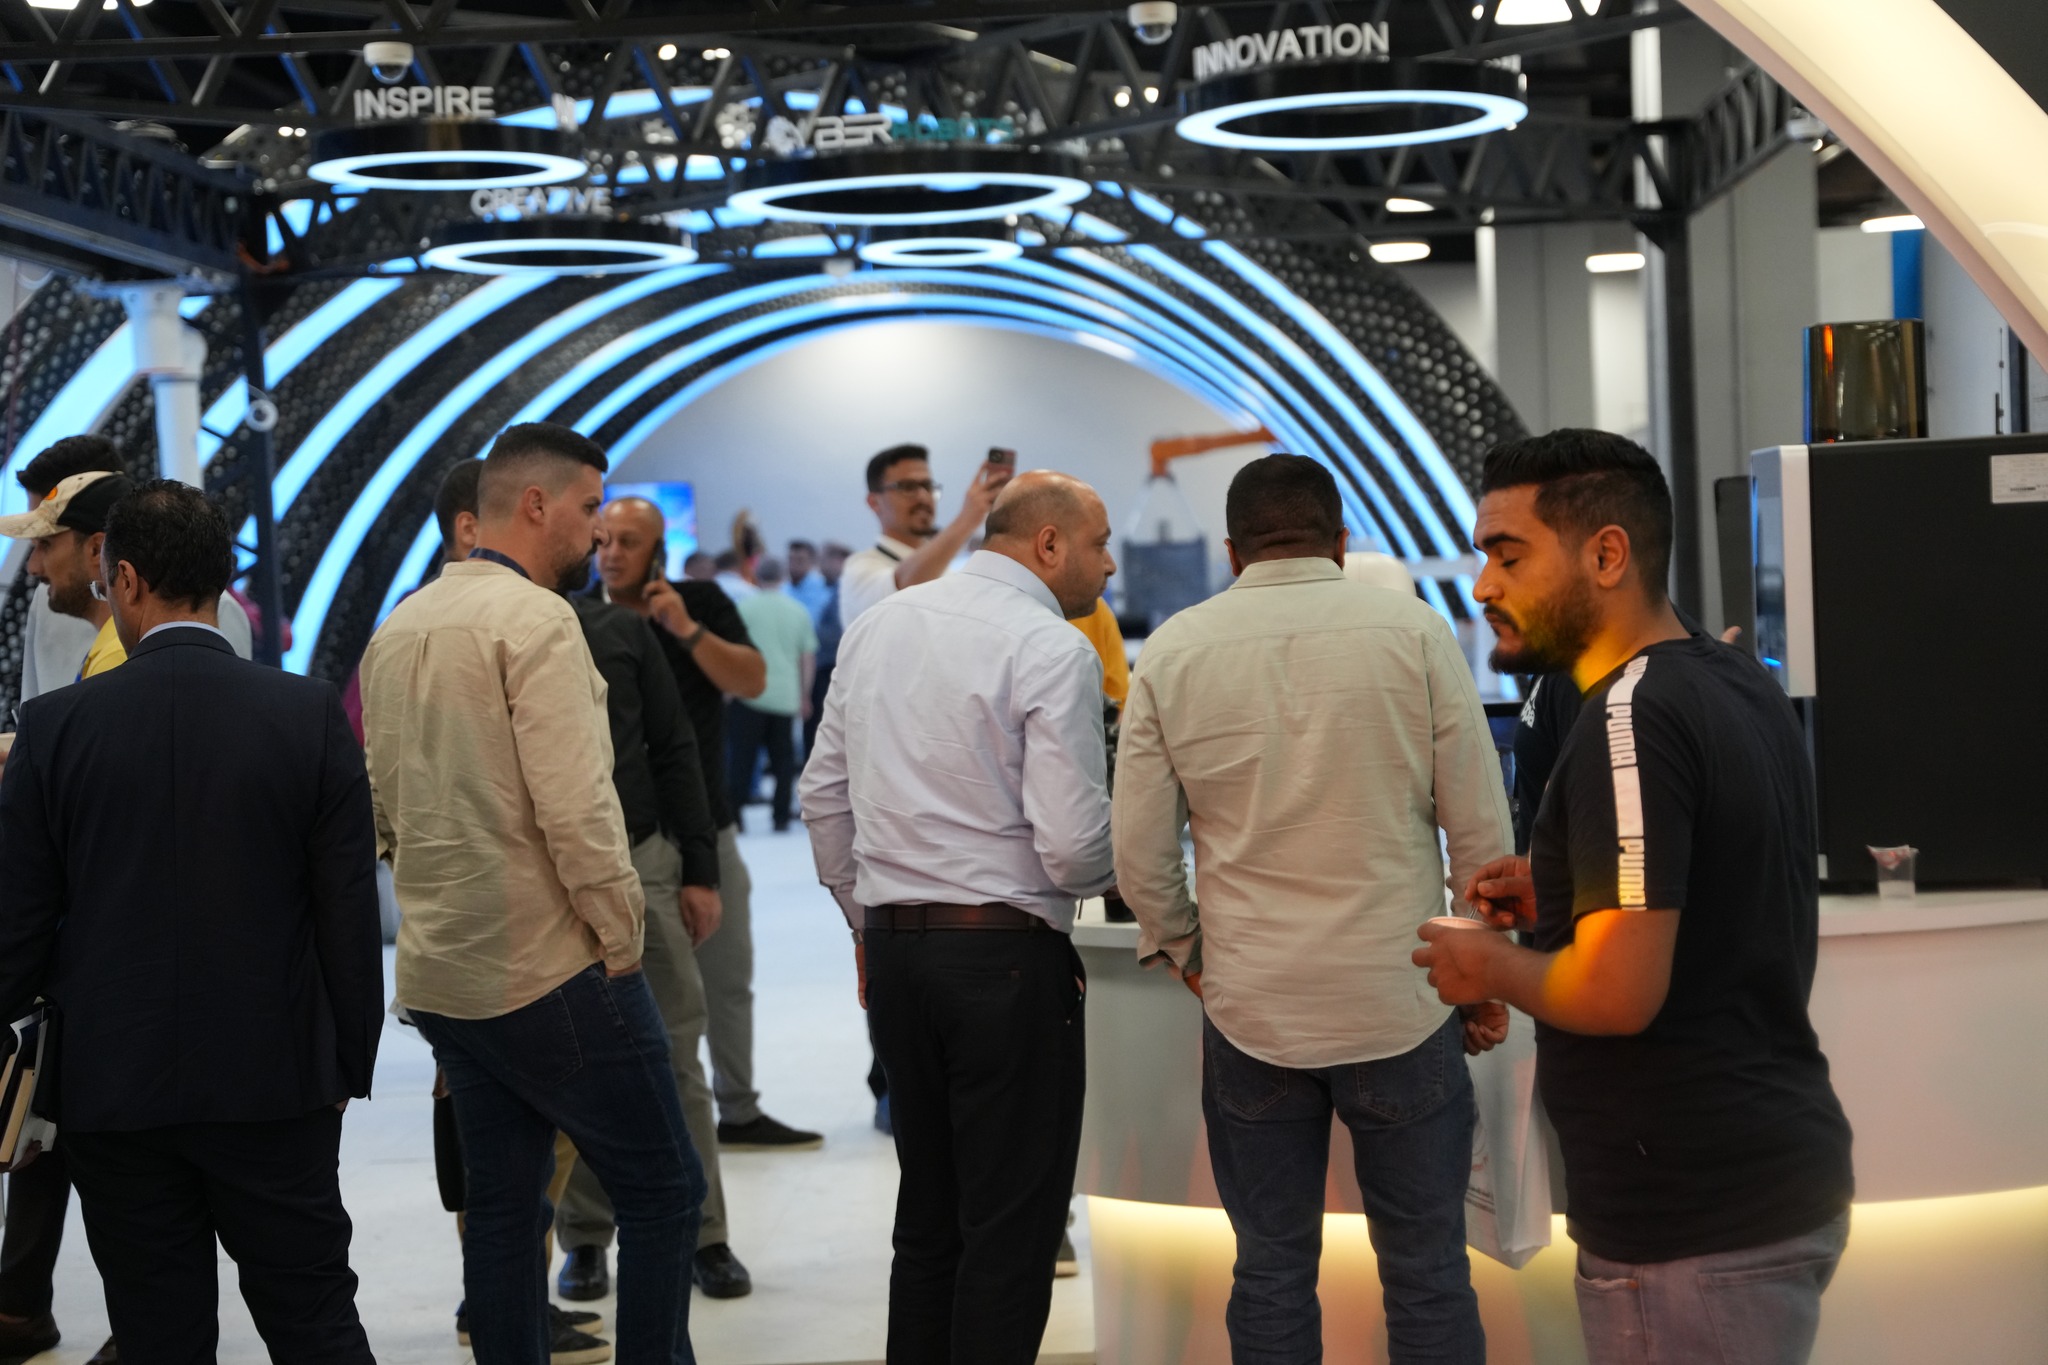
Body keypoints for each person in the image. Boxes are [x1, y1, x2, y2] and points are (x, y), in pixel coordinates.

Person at [1414, 429, 1855, 1365]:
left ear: (1607, 554)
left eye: (1508, 555)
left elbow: (1619, 993)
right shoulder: (1732, 676)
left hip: (1690, 1221)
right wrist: (1561, 891)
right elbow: (1716, 887)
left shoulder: (1629, 712)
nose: (1483, 586)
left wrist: (1484, 964)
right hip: (1764, 1182)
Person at [1114, 454, 1511, 1365]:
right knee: (1428, 1269)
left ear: (1230, 551)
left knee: (1270, 1270)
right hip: (1402, 998)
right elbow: (1480, 830)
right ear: (1339, 541)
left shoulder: (1172, 649)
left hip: (1252, 1009)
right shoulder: (1414, 632)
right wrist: (1478, 970)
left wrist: (1188, 951)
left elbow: (1137, 852)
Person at [0, 479, 384, 1365]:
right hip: (277, 1081)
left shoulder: (54, 729)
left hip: (113, 1087)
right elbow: (345, 910)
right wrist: (344, 1063)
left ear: (126, 579)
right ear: (221, 580)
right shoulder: (307, 716)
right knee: (315, 1316)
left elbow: (17, 924)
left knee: (157, 1331)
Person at [360, 422, 705, 1365]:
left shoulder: (400, 624)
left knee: (506, 1207)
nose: (598, 530)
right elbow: (578, 808)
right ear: (537, 503)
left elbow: (381, 806)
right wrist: (622, 938)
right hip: (551, 962)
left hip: (445, 968)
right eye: (591, 507)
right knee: (665, 1188)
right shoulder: (540, 621)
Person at [800, 470, 1118, 1365]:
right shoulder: (1051, 646)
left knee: (929, 1222)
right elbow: (1072, 849)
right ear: (1048, 544)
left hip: (899, 958)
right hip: (1007, 962)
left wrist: (865, 922)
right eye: (1099, 544)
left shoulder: (879, 625)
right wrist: (1133, 855)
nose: (1110, 565)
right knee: (1011, 1232)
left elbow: (822, 797)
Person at [586, 498, 819, 1185]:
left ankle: (738, 1108)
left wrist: (684, 629)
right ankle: (646, 1130)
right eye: (603, 540)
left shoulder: (701, 602)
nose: (612, 553)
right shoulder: (575, 614)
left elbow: (752, 679)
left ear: (659, 550)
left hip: (705, 824)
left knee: (727, 975)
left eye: (629, 541)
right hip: (619, 834)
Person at [556, 586, 757, 1301]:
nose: (604, 544)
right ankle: (585, 1238)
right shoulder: (494, 629)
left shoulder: (620, 630)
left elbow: (676, 749)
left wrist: (700, 868)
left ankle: (707, 1234)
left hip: (641, 855)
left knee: (675, 1052)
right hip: (545, 877)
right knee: (573, 1065)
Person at [0, 467, 139, 1365]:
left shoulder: (119, 663)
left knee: (121, 1167)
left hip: (105, 963)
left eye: (46, 543)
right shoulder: (104, 652)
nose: (34, 563)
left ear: (100, 553)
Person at [10, 436, 252, 703]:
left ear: (97, 548)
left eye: (46, 543)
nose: (33, 567)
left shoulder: (212, 606)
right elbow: (36, 708)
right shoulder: (48, 600)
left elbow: (230, 706)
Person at [837, 444, 1012, 626]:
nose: (923, 497)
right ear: (874, 502)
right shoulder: (860, 570)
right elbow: (902, 590)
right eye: (907, 487)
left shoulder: (949, 571)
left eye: (927, 486)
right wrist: (966, 520)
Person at [727, 557, 817, 833]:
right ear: (782, 577)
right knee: (783, 762)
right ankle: (780, 817)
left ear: (756, 576)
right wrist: (804, 695)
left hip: (749, 693)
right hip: (785, 695)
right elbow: (807, 657)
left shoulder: (744, 608)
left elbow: (731, 650)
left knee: (742, 759)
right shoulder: (798, 611)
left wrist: (729, 686)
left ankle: (736, 816)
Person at [803, 542, 850, 758]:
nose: (820, 566)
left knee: (822, 726)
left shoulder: (844, 590)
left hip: (831, 665)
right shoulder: (831, 589)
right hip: (828, 665)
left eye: (824, 560)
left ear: (838, 561)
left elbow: (832, 632)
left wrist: (810, 641)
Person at [786, 538, 832, 621]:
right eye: (791, 560)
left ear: (812, 562)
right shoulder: (784, 588)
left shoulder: (821, 589)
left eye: (800, 561)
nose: (794, 565)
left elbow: (811, 620)